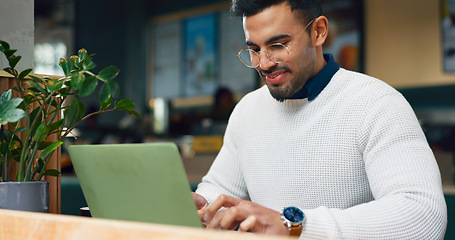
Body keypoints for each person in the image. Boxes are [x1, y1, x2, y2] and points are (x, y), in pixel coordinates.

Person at [192, 0, 447, 239]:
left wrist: (295, 226)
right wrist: (206, 206)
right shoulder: (247, 111)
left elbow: (424, 216)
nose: (265, 63)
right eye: (254, 49)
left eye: (278, 45)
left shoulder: (377, 103)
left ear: (319, 31)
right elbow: (219, 188)